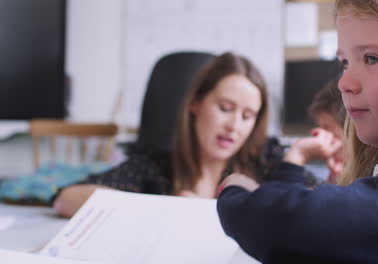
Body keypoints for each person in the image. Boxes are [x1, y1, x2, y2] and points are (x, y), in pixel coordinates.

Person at [216, 0, 378, 263]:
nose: (344, 83)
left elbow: (289, 227)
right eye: (345, 62)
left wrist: (235, 192)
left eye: (372, 58)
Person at [53, 52, 272, 218]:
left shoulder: (267, 162)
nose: (234, 126)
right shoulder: (156, 166)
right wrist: (164, 208)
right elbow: (65, 199)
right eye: (225, 108)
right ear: (195, 103)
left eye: (247, 116)